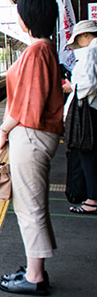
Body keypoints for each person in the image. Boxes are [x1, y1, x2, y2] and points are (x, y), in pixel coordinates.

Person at [0, 0, 64, 296]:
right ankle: (35, 267)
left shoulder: (36, 52)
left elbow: (29, 105)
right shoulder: (46, 49)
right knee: (31, 204)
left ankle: (35, 276)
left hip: (31, 135)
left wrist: (4, 128)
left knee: (30, 206)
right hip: (37, 135)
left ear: (27, 20)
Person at [62, 19, 97, 213]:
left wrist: (71, 87)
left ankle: (92, 200)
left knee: (87, 156)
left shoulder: (92, 52)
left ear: (86, 35)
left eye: (78, 39)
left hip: (89, 112)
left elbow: (90, 84)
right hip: (93, 110)